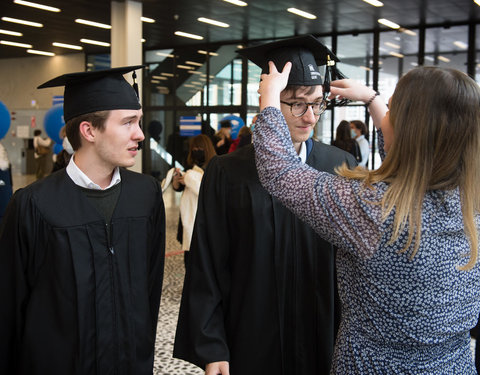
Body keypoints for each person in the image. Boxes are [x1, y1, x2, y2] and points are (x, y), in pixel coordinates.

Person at [253, 61, 480, 373]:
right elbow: (414, 163)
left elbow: (282, 174)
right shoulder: (470, 205)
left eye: (394, 110)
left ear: (408, 129)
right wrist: (372, 100)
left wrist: (270, 99)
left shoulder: (375, 210)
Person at [174, 35, 357, 375]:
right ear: (270, 102)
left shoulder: (340, 166)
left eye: (317, 103)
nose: (310, 116)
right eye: (296, 104)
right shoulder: (228, 171)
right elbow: (208, 264)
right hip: (253, 334)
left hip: (325, 336)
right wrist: (212, 345)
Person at [0, 66, 166, 375]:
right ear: (89, 131)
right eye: (128, 122)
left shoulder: (146, 195)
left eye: (139, 122)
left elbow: (150, 290)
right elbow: (9, 309)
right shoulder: (34, 204)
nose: (140, 134)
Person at [172, 134, 216, 267]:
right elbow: (179, 188)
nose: (197, 151)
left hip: (203, 222)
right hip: (188, 220)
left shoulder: (215, 168)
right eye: (194, 149)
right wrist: (177, 180)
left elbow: (209, 193)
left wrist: (189, 179)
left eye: (200, 148)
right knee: (190, 261)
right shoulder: (190, 167)